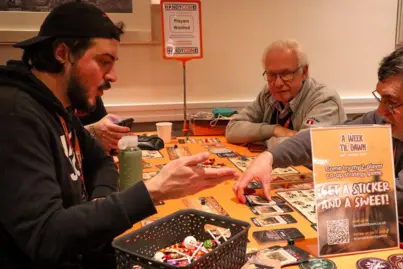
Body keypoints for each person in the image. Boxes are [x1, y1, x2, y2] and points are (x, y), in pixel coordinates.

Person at [0, 2, 238, 268]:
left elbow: (100, 161)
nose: (112, 76)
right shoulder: (14, 114)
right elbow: (45, 237)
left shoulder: (59, 108)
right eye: (103, 62)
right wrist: (153, 191)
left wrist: (100, 206)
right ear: (62, 53)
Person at [233, 40, 403, 267]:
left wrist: (329, 196)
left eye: (391, 101)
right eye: (380, 98)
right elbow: (327, 138)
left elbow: (396, 199)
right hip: (396, 242)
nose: (381, 111)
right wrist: (269, 157)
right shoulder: (397, 115)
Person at [225, 39, 346, 149]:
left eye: (286, 74)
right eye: (271, 74)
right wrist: (275, 130)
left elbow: (305, 148)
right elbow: (232, 130)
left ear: (304, 72)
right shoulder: (268, 94)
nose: (277, 83)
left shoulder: (325, 100)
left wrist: (257, 139)